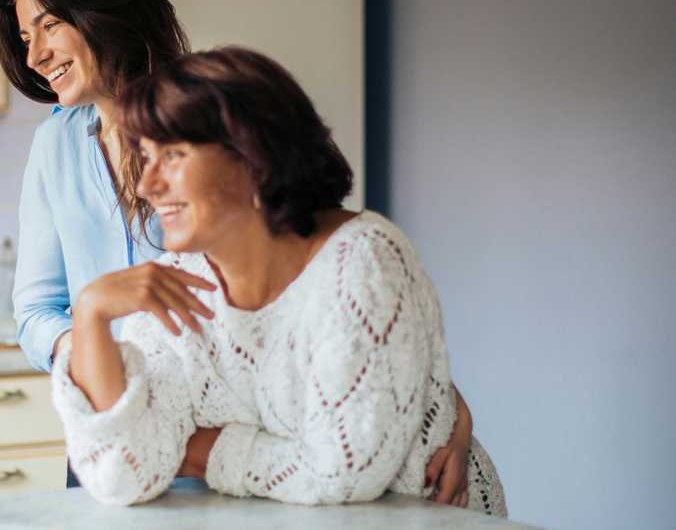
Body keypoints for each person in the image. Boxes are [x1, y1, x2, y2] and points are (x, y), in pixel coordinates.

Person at [0, 0, 476, 504]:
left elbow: (331, 289)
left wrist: (447, 412)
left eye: (49, 26)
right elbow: (35, 311)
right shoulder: (56, 146)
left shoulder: (215, 110)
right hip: (127, 425)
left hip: (258, 437)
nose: (34, 56)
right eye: (26, 37)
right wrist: (103, 354)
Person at [49, 46, 507, 514]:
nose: (147, 185)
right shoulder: (180, 283)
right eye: (144, 156)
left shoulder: (363, 259)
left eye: (172, 155)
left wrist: (198, 450)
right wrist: (91, 314)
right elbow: (124, 472)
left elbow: (343, 472)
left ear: (251, 156)